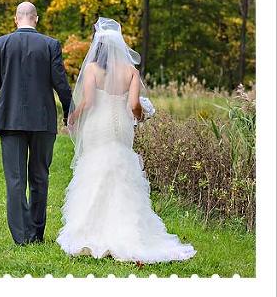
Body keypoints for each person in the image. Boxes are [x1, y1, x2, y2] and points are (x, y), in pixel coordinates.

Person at [56, 17, 196, 263]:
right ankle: (127, 230)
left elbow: (87, 102)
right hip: (120, 126)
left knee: (96, 167)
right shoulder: (131, 71)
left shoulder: (91, 69)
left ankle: (89, 228)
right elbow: (133, 106)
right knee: (121, 169)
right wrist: (142, 116)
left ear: (97, 46)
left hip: (98, 125)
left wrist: (73, 117)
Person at [0, 1, 72, 245]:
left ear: (15, 18)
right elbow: (60, 83)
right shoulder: (50, 45)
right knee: (40, 176)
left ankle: (22, 237)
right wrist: (68, 113)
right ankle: (36, 234)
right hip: (43, 120)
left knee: (16, 179)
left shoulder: (0, 44)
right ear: (36, 19)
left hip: (9, 120)